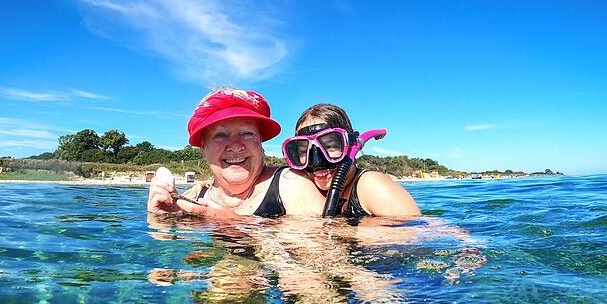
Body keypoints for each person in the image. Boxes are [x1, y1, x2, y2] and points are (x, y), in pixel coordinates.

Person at [147, 89, 324, 217]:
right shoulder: (195, 197)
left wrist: (221, 219)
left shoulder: (291, 184)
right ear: (203, 149)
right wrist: (161, 220)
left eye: (247, 133)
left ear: (260, 142)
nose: (236, 146)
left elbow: (326, 254)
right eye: (220, 135)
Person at [283, 103, 420, 217]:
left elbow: (417, 234)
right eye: (303, 150)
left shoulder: (371, 185)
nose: (316, 161)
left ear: (350, 145)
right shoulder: (307, 189)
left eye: (330, 146)